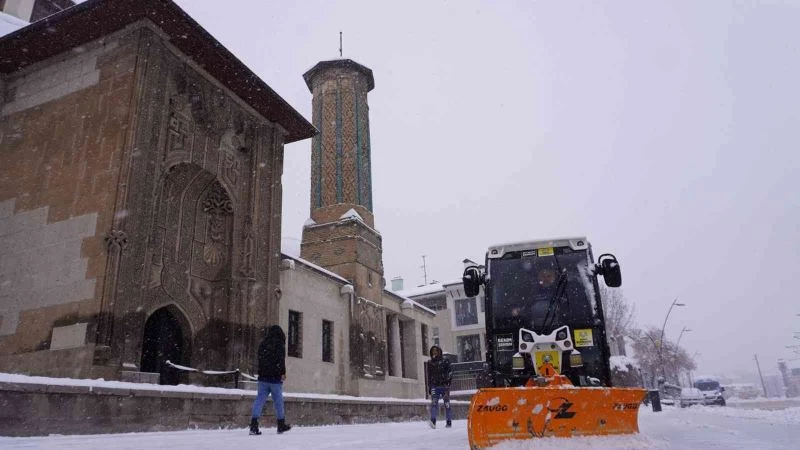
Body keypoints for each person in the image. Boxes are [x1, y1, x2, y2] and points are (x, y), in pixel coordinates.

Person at [249, 325, 291, 435]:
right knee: (278, 402)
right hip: (275, 378)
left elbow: (260, 359)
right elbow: (281, 360)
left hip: (263, 377)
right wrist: (282, 372)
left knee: (259, 400)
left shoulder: (263, 343)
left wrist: (262, 372)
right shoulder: (279, 344)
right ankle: (281, 424)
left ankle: (253, 425)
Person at [427, 345, 452, 429]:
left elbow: (450, 373)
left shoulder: (445, 361)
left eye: (436, 350)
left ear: (439, 351)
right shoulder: (430, 363)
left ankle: (449, 421)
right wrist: (430, 387)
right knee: (434, 404)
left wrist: (448, 384)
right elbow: (429, 376)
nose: (434, 352)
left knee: (447, 404)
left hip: (444, 386)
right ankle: (433, 421)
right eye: (433, 350)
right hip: (434, 386)